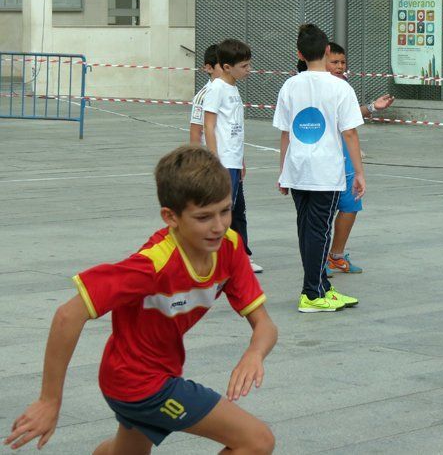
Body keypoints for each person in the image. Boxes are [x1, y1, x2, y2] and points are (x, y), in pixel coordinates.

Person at [4, 145, 278, 453]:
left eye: (225, 211)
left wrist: (254, 353)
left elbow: (265, 325)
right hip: (141, 384)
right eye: (203, 217)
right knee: (257, 441)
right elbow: (68, 315)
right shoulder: (152, 264)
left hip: (140, 375)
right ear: (170, 217)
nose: (218, 226)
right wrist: (49, 400)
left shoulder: (229, 247)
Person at [273, 25, 365, 313]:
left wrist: (283, 172)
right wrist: (360, 173)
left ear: (299, 53)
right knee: (319, 232)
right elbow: (349, 133)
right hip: (324, 172)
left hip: (298, 169)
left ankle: (321, 286)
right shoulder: (340, 87)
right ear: (327, 51)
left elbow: (285, 133)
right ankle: (311, 293)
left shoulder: (290, 85)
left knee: (307, 230)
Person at [323, 42, 394, 275]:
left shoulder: (344, 86)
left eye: (343, 62)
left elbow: (351, 117)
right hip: (324, 158)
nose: (340, 66)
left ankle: (336, 255)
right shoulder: (314, 87)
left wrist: (373, 107)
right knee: (323, 211)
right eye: (334, 62)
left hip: (345, 157)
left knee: (350, 205)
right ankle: (319, 258)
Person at [203, 39, 263, 274]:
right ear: (227, 67)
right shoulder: (216, 88)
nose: (249, 70)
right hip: (223, 162)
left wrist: (242, 159)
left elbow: (233, 128)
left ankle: (236, 257)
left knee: (237, 211)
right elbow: (209, 126)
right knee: (223, 211)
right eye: (244, 66)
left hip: (234, 160)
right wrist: (214, 160)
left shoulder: (233, 88)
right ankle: (217, 259)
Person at [189, 44, 223, 145]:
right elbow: (196, 132)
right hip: (212, 157)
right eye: (223, 66)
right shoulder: (203, 96)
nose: (228, 69)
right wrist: (197, 160)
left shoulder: (232, 90)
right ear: (209, 68)